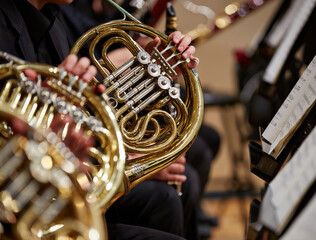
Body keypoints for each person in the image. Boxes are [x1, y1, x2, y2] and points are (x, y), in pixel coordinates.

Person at [0, 0, 199, 239]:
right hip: (22, 204)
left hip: (58, 185)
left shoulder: (53, 21)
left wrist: (143, 73)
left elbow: (84, 117)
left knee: (165, 200)